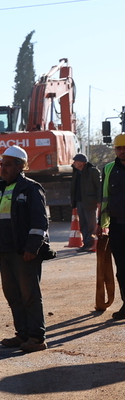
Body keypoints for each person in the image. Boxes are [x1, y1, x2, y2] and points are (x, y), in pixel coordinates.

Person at [0, 144, 51, 352]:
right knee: (13, 295)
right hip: (5, 251)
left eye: (8, 165)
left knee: (29, 295)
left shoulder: (31, 188)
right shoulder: (0, 190)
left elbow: (40, 221)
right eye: (2, 164)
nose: (3, 168)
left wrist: (32, 247)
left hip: (24, 253)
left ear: (21, 166)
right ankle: (23, 334)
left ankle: (37, 337)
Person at [103, 135, 125, 320]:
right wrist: (100, 225)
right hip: (118, 227)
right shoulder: (109, 169)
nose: (122, 151)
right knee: (122, 269)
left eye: (124, 147)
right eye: (119, 148)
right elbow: (104, 197)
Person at [70, 152, 101, 252]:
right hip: (79, 201)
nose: (74, 163)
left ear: (82, 162)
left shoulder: (92, 171)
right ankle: (86, 244)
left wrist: (99, 201)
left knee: (90, 225)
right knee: (83, 224)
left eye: (76, 161)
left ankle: (92, 244)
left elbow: (99, 187)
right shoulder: (76, 172)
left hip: (90, 202)